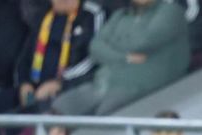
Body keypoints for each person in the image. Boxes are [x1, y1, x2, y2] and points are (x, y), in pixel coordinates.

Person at [52, 0, 188, 116]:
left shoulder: (170, 11)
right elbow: (95, 47)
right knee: (59, 107)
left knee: (106, 112)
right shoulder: (120, 15)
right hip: (103, 84)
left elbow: (143, 42)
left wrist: (111, 46)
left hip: (140, 88)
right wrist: (125, 57)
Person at [16, 0, 105, 111]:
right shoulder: (45, 13)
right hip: (35, 89)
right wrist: (24, 83)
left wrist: (60, 83)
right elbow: (25, 56)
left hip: (70, 90)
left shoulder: (92, 14)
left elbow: (94, 59)